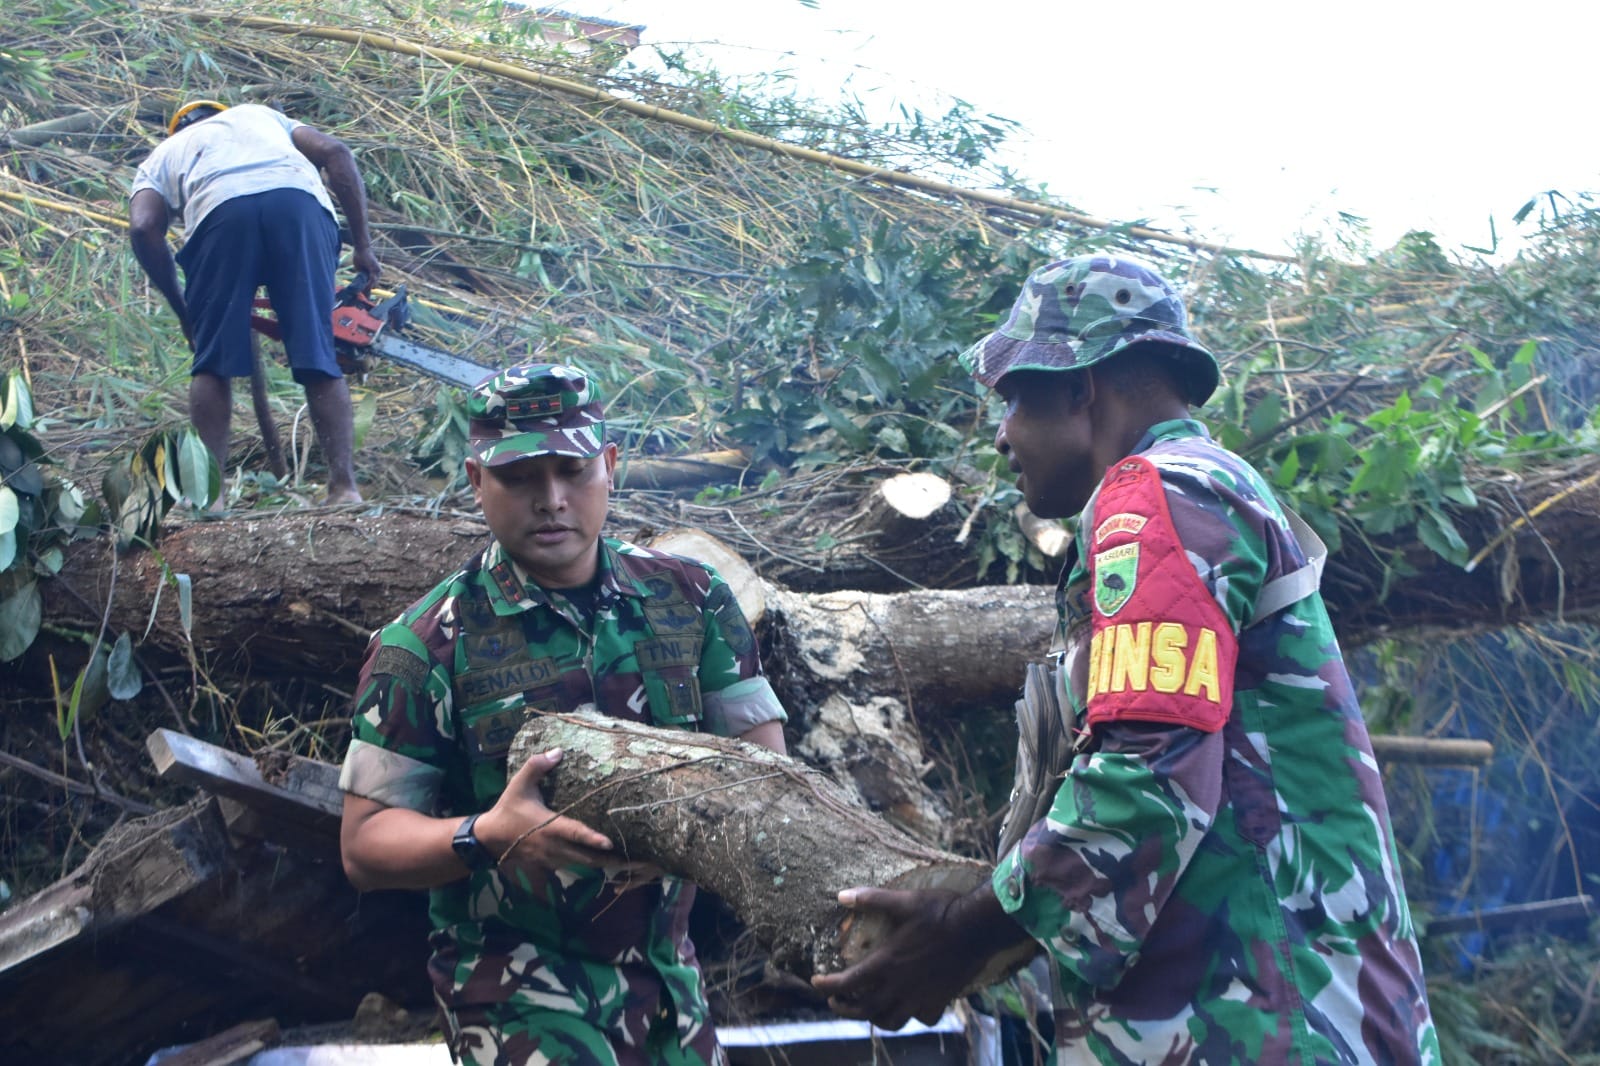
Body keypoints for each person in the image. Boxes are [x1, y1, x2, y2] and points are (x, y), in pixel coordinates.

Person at [812, 255, 1441, 1063]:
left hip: (1266, 1025)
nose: (1000, 434)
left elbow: (1148, 774)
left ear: (1080, 387)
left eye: (1012, 397)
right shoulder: (1203, 486)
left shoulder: (1159, 492)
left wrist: (959, 938)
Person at [337, 362, 789, 1065]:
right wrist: (488, 835)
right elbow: (364, 846)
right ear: (476, 481)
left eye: (573, 471)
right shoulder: (425, 645)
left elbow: (768, 774)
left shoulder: (692, 602)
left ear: (609, 466)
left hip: (673, 984)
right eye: (519, 478)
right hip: (517, 995)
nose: (551, 499)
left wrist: (700, 836)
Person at [129, 99, 380, 505]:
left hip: (220, 217)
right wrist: (363, 246)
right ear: (221, 112)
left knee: (212, 364)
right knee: (318, 355)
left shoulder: (165, 153)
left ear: (179, 129)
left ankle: (209, 497)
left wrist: (184, 310)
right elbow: (335, 152)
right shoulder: (263, 116)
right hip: (298, 208)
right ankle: (344, 489)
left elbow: (143, 227)